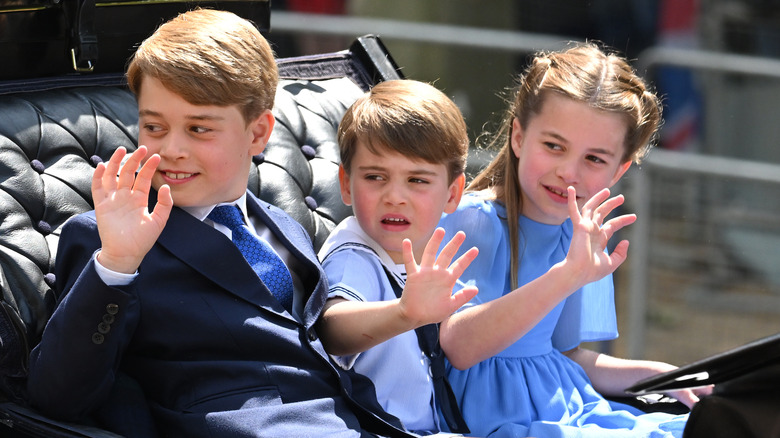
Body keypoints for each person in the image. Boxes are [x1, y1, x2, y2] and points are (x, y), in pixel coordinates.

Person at [25, 9, 414, 438]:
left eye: (198, 129)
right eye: (154, 126)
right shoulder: (109, 239)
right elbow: (58, 396)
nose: (171, 148)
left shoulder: (285, 226)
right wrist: (117, 262)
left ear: (258, 133)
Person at [436, 42, 712, 437]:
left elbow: (565, 356)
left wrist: (662, 374)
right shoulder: (471, 219)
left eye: (595, 159)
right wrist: (568, 275)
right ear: (518, 137)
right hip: (497, 421)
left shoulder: (583, 234)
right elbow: (459, 348)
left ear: (618, 171)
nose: (569, 172)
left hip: (569, 406)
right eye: (554, 146)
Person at [316, 79, 478, 435]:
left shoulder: (430, 252)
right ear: (345, 183)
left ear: (453, 194)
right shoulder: (354, 251)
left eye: (417, 180)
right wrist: (404, 313)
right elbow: (332, 328)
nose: (394, 196)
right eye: (375, 177)